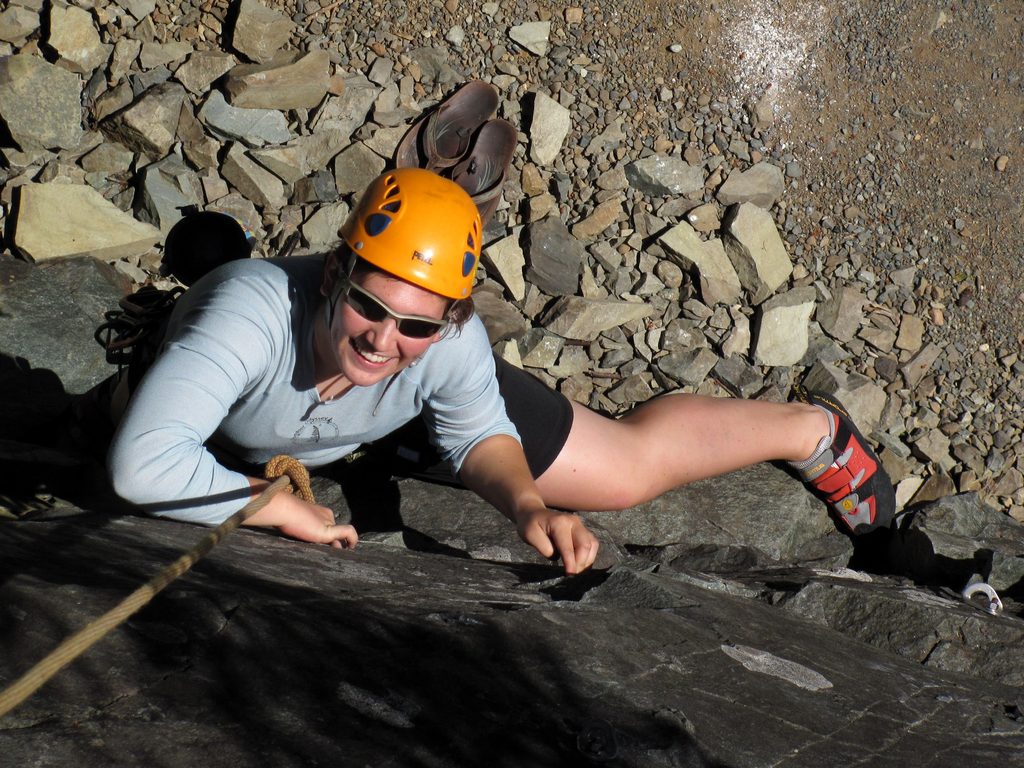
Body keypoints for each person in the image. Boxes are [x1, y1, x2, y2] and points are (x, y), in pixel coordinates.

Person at [106, 168, 895, 576]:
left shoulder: (445, 339)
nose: (383, 340)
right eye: (367, 307)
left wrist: (525, 508)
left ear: (449, 317)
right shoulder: (246, 316)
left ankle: (811, 431)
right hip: (281, 426)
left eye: (416, 324)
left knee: (621, 476)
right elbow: (144, 465)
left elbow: (479, 431)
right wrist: (274, 509)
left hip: (385, 423)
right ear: (332, 273)